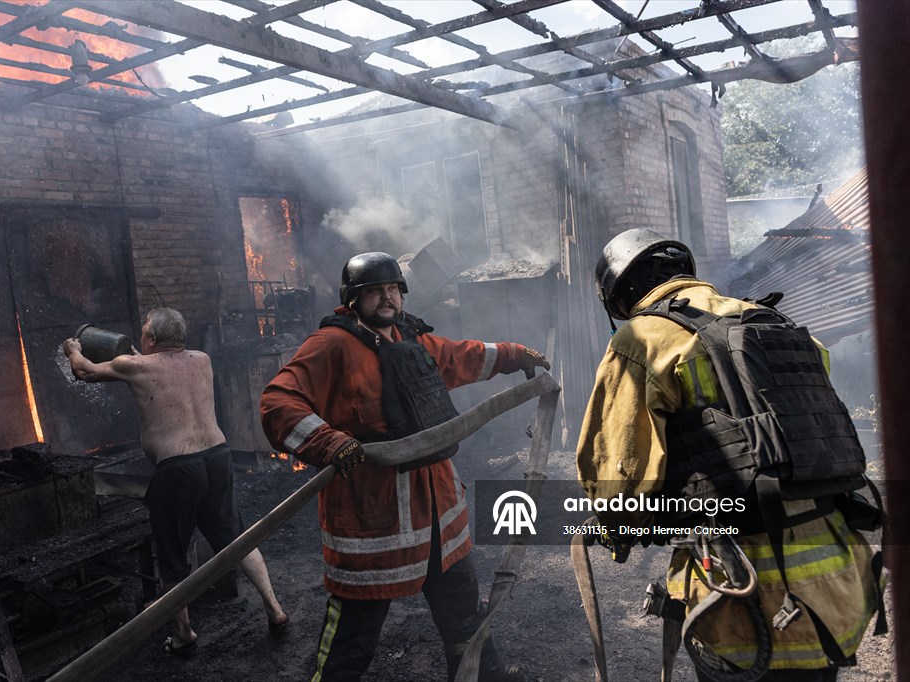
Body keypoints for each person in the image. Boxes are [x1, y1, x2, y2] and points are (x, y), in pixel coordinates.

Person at [575, 228, 882, 681]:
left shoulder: (641, 341)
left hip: (741, 599)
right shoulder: (771, 321)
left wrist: (616, 529)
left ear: (620, 299)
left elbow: (618, 473)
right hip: (836, 588)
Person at [260, 252, 549, 682]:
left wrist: (515, 355)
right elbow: (277, 402)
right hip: (374, 530)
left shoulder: (413, 340)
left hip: (441, 524)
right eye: (375, 290)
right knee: (350, 648)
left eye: (393, 288)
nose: (387, 297)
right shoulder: (331, 346)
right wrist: (329, 441)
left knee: (466, 626)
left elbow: (460, 356)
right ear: (352, 300)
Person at [63, 307, 287, 658]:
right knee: (236, 538)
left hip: (177, 470)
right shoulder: (202, 360)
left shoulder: (133, 366)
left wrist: (73, 349)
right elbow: (164, 369)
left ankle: (184, 635)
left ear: (151, 339)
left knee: (171, 556)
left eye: (144, 333)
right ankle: (275, 609)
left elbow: (84, 371)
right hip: (217, 457)